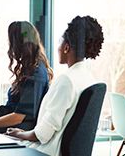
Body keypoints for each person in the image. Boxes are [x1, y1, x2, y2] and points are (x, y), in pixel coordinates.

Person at [6, 16, 104, 156]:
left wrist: (19, 134)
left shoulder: (66, 80)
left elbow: (43, 135)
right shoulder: (89, 78)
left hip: (45, 151)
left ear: (66, 47)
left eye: (60, 41)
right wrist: (25, 133)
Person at [0, 21, 52, 133]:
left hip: (16, 131)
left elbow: (18, 117)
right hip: (9, 128)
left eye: (11, 41)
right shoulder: (29, 69)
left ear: (18, 43)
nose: (9, 45)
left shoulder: (36, 74)